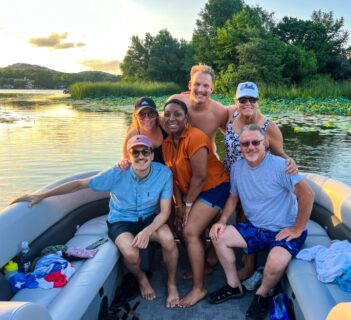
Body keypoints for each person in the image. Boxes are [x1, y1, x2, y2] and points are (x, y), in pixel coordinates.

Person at [11, 135, 180, 308]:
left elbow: (165, 212)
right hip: (121, 220)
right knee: (130, 254)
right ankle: (142, 279)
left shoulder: (164, 173)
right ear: (128, 156)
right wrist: (41, 195)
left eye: (145, 151)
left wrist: (146, 231)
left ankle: (172, 284)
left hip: (149, 219)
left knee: (168, 239)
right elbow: (79, 185)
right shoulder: (116, 174)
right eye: (135, 152)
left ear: (152, 155)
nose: (141, 156)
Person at [208, 124, 314, 320]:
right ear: (239, 146)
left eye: (255, 142)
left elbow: (307, 194)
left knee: (275, 259)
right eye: (245, 143)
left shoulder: (282, 166)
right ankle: (233, 286)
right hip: (257, 228)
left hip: (285, 228)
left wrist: (298, 227)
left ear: (265, 143)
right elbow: (233, 197)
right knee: (218, 236)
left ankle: (262, 294)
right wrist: (222, 220)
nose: (250, 147)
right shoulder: (238, 167)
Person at [224, 81, 298, 280]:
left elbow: (279, 153)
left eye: (252, 99)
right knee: (235, 215)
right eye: (243, 99)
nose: (247, 102)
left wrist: (290, 163)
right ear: (236, 101)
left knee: (249, 216)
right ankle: (229, 255)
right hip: (234, 176)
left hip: (256, 179)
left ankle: (249, 264)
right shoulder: (230, 116)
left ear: (258, 100)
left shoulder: (268, 126)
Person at [162, 98, 230, 308]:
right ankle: (206, 263)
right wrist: (178, 205)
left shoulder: (196, 137)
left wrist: (188, 206)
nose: (172, 118)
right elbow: (172, 177)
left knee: (190, 231)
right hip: (191, 192)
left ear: (186, 118)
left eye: (177, 114)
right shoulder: (166, 144)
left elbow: (200, 176)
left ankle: (199, 288)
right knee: (179, 226)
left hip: (215, 187)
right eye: (168, 114)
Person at [168, 64, 230, 152]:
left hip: (208, 160)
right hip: (179, 159)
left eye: (206, 86)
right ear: (190, 85)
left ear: (211, 89)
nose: (201, 90)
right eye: (197, 84)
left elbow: (231, 137)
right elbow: (161, 125)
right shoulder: (174, 102)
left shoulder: (220, 112)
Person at [122, 96, 168, 164]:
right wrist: (124, 163)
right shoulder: (131, 135)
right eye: (141, 115)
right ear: (135, 116)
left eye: (151, 114)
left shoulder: (164, 125)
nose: (147, 119)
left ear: (156, 115)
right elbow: (126, 160)